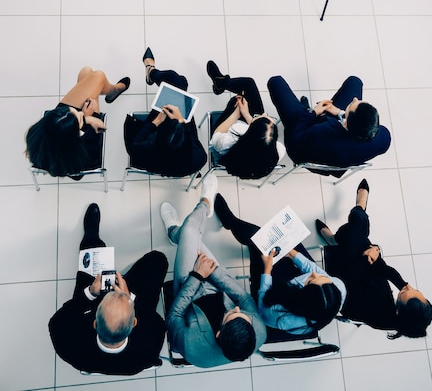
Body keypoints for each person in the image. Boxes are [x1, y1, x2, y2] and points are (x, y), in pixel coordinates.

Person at [48, 203, 168, 375]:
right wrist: (129, 297)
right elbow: (151, 317)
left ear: (95, 323)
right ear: (134, 322)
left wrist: (90, 293)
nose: (111, 292)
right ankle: (127, 285)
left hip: (90, 305)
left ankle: (91, 235)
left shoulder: (68, 344)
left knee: (90, 253)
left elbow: (57, 321)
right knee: (158, 260)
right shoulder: (150, 348)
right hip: (136, 303)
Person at [162, 174, 267, 367]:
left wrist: (196, 276)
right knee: (191, 235)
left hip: (188, 292)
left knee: (189, 233)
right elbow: (243, 298)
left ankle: (199, 210)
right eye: (241, 313)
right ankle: (182, 228)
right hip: (216, 284)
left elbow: (174, 315)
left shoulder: (193, 348)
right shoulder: (257, 331)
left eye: (231, 314)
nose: (236, 308)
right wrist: (212, 272)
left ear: (219, 332)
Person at [316, 179, 432, 338]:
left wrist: (367, 259)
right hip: (362, 271)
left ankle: (355, 214)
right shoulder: (402, 308)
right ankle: (348, 224)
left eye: (404, 291)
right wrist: (376, 255)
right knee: (356, 233)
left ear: (398, 309)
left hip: (343, 281)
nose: (408, 286)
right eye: (415, 289)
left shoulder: (379, 310)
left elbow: (350, 279)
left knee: (354, 233)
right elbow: (385, 272)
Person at [214, 194, 345, 336]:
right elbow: (313, 269)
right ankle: (238, 228)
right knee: (275, 240)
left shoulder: (281, 317)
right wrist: (293, 254)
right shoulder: (337, 288)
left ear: (302, 294)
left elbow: (263, 305)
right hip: (296, 285)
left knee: (258, 242)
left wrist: (267, 270)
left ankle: (231, 222)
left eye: (312, 279)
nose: (315, 273)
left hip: (276, 292)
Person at [267, 74, 391, 169]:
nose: (355, 99)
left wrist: (313, 113)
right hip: (339, 150)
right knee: (355, 82)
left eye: (352, 104)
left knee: (275, 82)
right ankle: (312, 110)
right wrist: (340, 113)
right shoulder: (384, 139)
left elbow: (297, 137)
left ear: (346, 123)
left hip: (305, 141)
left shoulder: (321, 133)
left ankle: (307, 109)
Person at [26, 67, 130, 177]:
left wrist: (84, 118)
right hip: (81, 155)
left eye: (75, 111)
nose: (80, 112)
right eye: (79, 117)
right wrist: (87, 118)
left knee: (86, 73)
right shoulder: (84, 150)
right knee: (98, 76)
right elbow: (91, 143)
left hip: (62, 133)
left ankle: (112, 91)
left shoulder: (38, 136)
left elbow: (66, 123)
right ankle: (113, 90)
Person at [123, 47, 207, 177]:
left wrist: (156, 122)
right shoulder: (199, 158)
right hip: (176, 162)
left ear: (160, 136)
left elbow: (134, 144)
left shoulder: (148, 148)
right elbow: (193, 138)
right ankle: (151, 73)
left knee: (176, 79)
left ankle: (150, 71)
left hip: (156, 159)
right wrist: (182, 121)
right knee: (180, 82)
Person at [206, 60, 285, 179]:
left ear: (251, 130)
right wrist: (247, 115)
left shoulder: (227, 141)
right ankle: (220, 83)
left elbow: (217, 135)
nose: (265, 114)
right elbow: (258, 135)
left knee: (236, 100)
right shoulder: (278, 149)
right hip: (248, 147)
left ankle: (220, 83)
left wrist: (237, 114)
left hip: (226, 131)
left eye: (264, 117)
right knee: (248, 85)